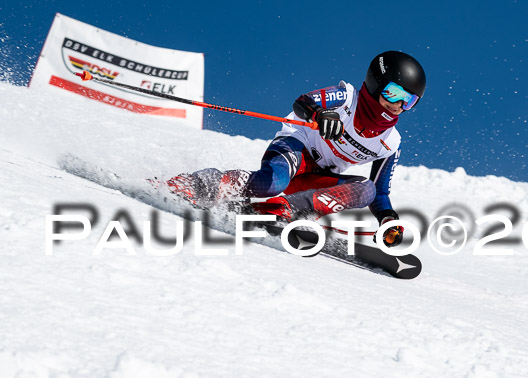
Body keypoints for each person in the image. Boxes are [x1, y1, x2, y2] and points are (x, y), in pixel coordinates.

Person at [167, 50, 426, 247]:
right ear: (376, 83)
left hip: (318, 177)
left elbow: (379, 193)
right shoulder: (347, 98)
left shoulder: (390, 142)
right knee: (272, 182)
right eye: (393, 93)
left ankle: (282, 210)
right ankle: (203, 184)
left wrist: (388, 219)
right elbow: (304, 101)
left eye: (409, 100)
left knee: (366, 189)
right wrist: (321, 114)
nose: (398, 104)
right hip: (296, 149)